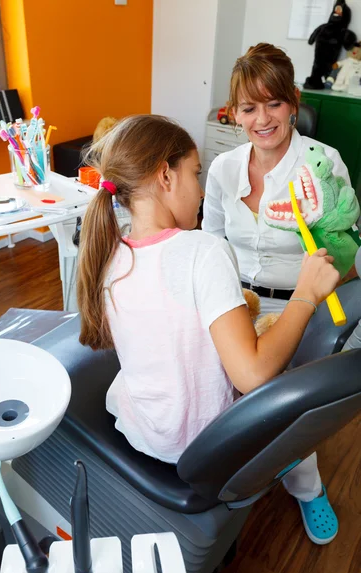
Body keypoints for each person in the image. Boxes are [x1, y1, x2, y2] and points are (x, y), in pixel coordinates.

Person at [77, 114, 340, 544]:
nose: (200, 190)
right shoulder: (203, 250)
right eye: (195, 173)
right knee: (292, 391)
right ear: (166, 174)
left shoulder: (108, 253)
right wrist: (306, 293)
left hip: (144, 431)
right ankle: (301, 479)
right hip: (202, 446)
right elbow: (251, 374)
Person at [202, 42, 355, 317]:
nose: (262, 119)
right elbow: (211, 242)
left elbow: (345, 254)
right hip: (232, 301)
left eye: (274, 104)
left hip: (302, 306)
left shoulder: (324, 164)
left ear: (294, 100)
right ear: (234, 112)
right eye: (249, 109)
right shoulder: (222, 168)